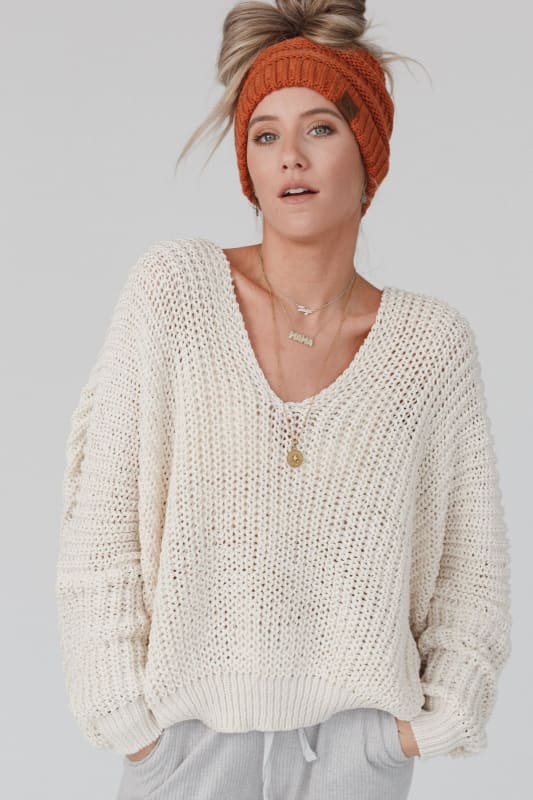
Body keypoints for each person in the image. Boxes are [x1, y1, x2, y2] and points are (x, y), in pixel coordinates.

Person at [55, 1, 512, 799]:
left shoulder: (429, 347)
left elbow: (469, 569)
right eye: (264, 135)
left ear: (367, 150)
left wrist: (429, 725)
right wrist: (130, 725)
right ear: (248, 164)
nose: (290, 157)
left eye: (319, 129)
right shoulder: (174, 293)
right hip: (186, 747)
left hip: (357, 757)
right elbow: (101, 528)